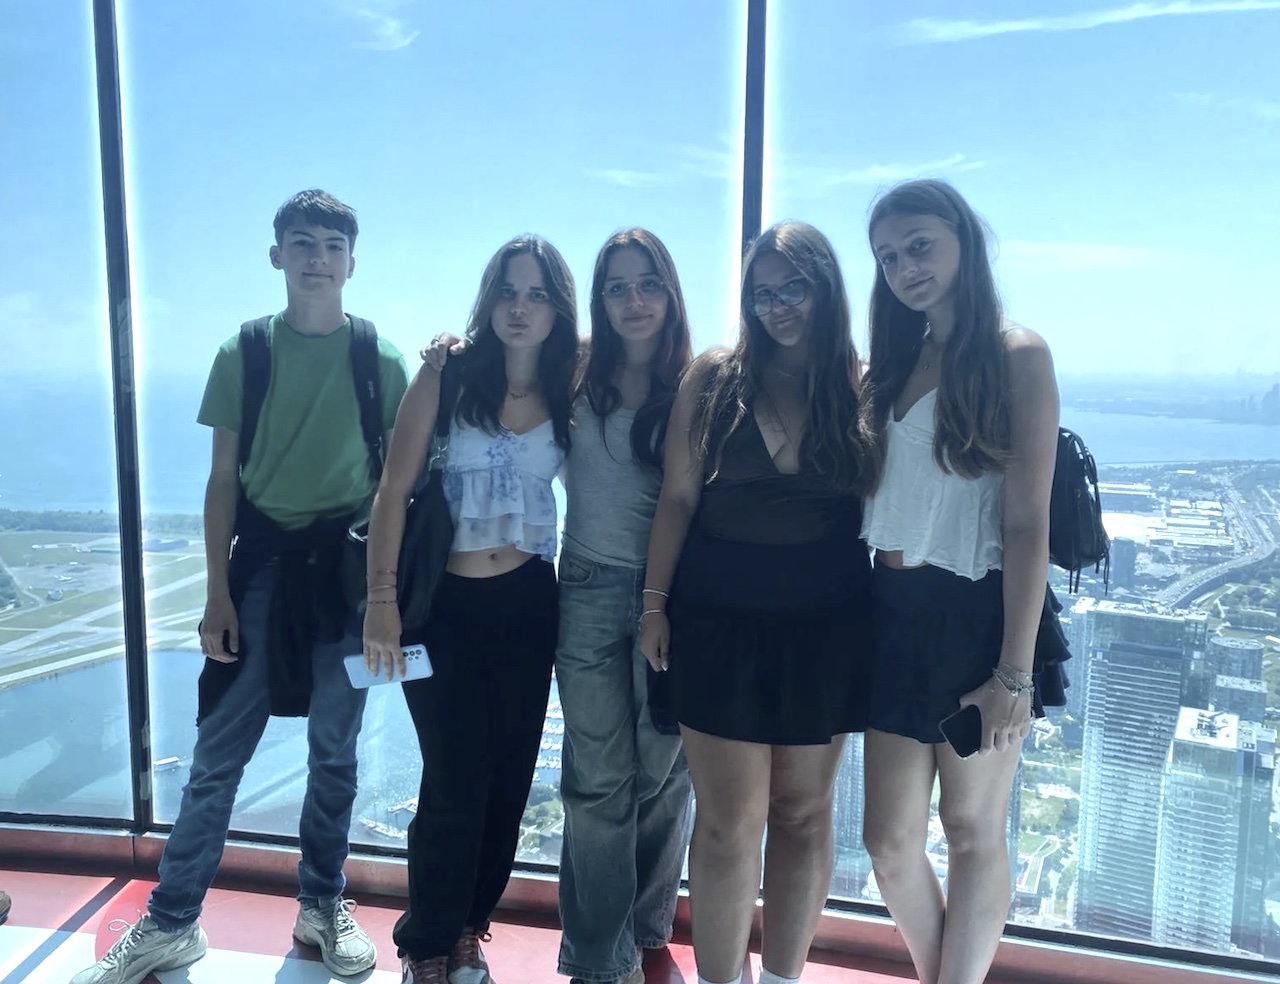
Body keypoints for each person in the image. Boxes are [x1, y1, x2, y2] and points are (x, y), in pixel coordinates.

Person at [72, 189, 408, 984]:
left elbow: (398, 490)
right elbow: (223, 480)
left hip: (347, 581)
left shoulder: (380, 359)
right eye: (303, 243)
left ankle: (321, 904)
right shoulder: (244, 352)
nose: (318, 259)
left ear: (352, 263)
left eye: (332, 246)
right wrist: (216, 594)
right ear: (277, 255)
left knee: (335, 756)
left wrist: (384, 598)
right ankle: (172, 921)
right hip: (260, 573)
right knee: (217, 758)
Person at [639, 221, 875, 984]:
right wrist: (653, 606)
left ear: (826, 288)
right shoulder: (713, 379)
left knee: (803, 815)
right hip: (718, 623)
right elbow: (678, 498)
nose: (777, 307)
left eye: (793, 288)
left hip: (826, 629)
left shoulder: (861, 385)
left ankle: (779, 978)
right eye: (762, 293)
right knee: (728, 823)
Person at [858, 179, 1059, 984]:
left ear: (963, 242)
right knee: (888, 842)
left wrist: (1014, 673)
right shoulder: (891, 362)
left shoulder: (1017, 355)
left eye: (919, 245)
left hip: (979, 615)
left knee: (971, 830)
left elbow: (1028, 523)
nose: (905, 266)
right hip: (891, 612)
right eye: (887, 256)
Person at [363, 235, 577, 984]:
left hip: (529, 603)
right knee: (453, 778)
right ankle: (425, 944)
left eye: (537, 294)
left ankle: (466, 929)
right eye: (508, 292)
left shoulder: (569, 385)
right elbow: (392, 492)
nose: (520, 307)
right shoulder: (446, 374)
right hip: (443, 605)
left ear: (557, 308)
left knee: (510, 779)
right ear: (487, 300)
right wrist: (381, 602)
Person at [555, 230, 694, 984]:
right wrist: (449, 350)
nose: (633, 300)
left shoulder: (697, 382)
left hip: (672, 596)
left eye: (648, 284)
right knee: (597, 776)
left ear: (670, 292)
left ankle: (644, 926)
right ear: (599, 299)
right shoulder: (574, 369)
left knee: (665, 770)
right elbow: (498, 359)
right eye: (616, 286)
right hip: (585, 588)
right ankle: (598, 961)